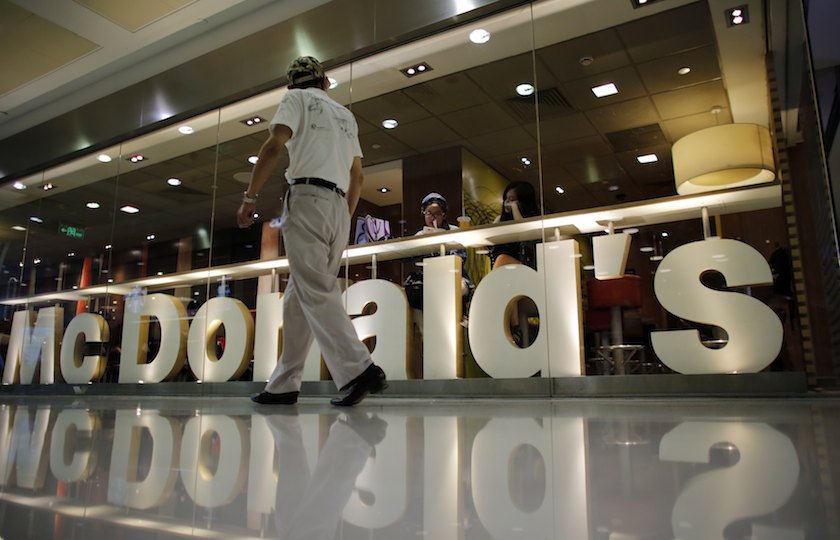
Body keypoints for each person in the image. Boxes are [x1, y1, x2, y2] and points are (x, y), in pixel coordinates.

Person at [237, 56, 386, 407]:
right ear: (326, 82)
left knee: (315, 290)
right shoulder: (346, 116)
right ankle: (284, 384)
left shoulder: (296, 100)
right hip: (339, 207)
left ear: (292, 85)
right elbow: (358, 176)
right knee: (300, 297)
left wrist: (249, 197)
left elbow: (274, 146)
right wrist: (345, 217)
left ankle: (361, 367)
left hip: (307, 197)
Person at [490, 181, 540, 269]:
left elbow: (523, 230)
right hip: (503, 265)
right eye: (506, 199)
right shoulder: (500, 220)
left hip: (524, 264)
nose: (507, 202)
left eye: (512, 200)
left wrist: (514, 208)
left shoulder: (534, 220)